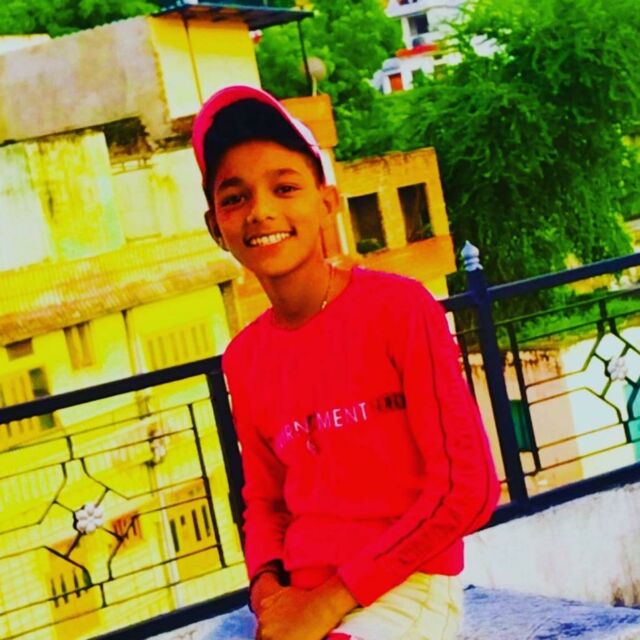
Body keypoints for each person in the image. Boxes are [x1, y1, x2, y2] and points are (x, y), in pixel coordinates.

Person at [191, 85, 500, 640]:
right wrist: (269, 595)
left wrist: (327, 604)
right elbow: (265, 500)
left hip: (406, 586)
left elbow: (467, 489)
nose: (261, 211)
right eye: (235, 198)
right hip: (303, 593)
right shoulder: (245, 358)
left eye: (285, 187)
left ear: (327, 203)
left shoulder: (398, 309)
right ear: (216, 227)